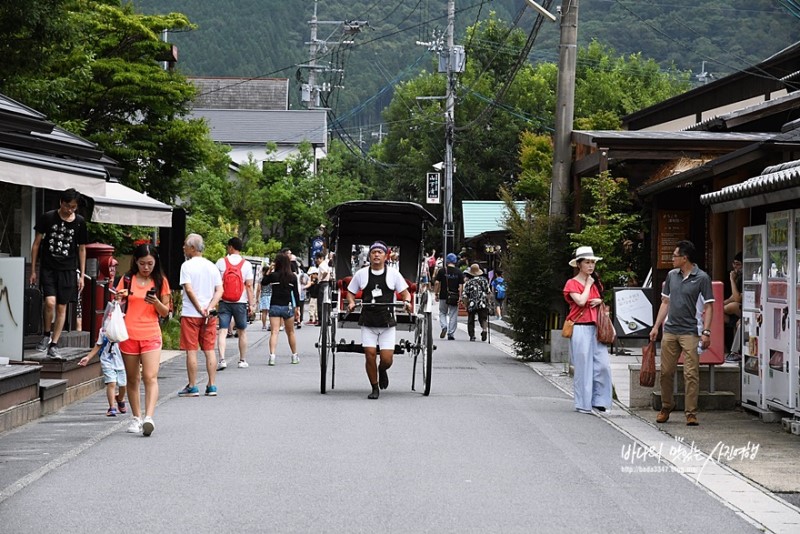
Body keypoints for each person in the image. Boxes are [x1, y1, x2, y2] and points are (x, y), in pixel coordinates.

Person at [649, 239, 714, 427]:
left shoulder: (702, 278)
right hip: (670, 330)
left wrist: (706, 332)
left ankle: (691, 412)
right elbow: (665, 302)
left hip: (691, 331)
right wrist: (656, 326)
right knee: (666, 372)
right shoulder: (671, 275)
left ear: (684, 258)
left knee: (691, 373)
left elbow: (709, 307)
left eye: (675, 256)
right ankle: (666, 406)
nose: (672, 259)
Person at [115, 243, 170, 436]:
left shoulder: (161, 281)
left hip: (151, 334)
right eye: (142, 263)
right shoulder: (127, 279)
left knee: (150, 376)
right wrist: (118, 298)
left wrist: (155, 302)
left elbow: (165, 312)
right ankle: (136, 417)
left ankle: (149, 417)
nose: (146, 268)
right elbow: (116, 301)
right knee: (132, 378)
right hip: (128, 334)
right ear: (135, 262)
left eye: (150, 263)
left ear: (155, 263)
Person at [346, 241, 412, 399]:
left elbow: (405, 293)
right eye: (373, 252)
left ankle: (382, 370)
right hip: (368, 320)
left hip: (387, 321)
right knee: (369, 353)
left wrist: (407, 302)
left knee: (387, 359)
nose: (376, 255)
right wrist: (351, 302)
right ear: (369, 255)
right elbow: (350, 292)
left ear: (386, 256)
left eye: (379, 252)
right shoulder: (361, 274)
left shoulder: (393, 274)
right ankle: (374, 387)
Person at [29, 188, 88, 359]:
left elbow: (82, 249)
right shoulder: (47, 217)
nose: (70, 210)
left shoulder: (79, 222)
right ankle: (46, 334)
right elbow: (36, 244)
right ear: (61, 202)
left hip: (68, 269)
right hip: (48, 267)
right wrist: (33, 270)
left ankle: (54, 344)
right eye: (67, 206)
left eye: (73, 207)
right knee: (49, 302)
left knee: (62, 307)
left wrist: (82, 275)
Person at [563, 246, 613, 414]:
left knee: (603, 365)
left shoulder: (595, 283)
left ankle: (599, 400)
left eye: (593, 262)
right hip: (580, 327)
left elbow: (597, 301)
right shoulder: (572, 283)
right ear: (579, 264)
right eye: (587, 262)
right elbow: (581, 301)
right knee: (583, 366)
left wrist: (599, 301)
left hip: (596, 327)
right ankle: (583, 403)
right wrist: (588, 285)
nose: (591, 266)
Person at [178, 234, 223, 397]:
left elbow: (188, 289)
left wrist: (199, 308)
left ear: (192, 248)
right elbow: (219, 290)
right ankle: (212, 385)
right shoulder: (212, 266)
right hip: (209, 315)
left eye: (185, 245)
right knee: (209, 349)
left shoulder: (186, 266)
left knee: (192, 350)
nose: (183, 248)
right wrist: (209, 307)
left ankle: (192, 386)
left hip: (191, 313)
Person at [216, 237, 255, 370]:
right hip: (241, 302)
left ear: (231, 247)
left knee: (222, 331)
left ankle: (222, 359)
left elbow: (216, 284)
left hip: (224, 301)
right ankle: (242, 360)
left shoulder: (221, 262)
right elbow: (249, 286)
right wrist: (252, 304)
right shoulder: (247, 265)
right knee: (242, 331)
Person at [78, 327, 127, 417]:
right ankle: (112, 407)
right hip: (107, 360)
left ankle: (120, 398)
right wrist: (88, 357)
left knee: (123, 385)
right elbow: (98, 345)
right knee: (111, 383)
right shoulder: (103, 329)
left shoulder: (124, 327)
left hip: (122, 361)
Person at [263, 252, 301, 365]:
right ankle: (294, 356)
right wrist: (297, 308)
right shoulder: (292, 277)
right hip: (288, 306)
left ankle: (272, 356)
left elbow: (263, 282)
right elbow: (296, 294)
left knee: (274, 332)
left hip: (274, 305)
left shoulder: (273, 276)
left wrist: (269, 270)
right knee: (290, 332)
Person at [433, 253, 463, 340]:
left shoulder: (442, 271)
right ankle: (451, 333)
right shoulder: (459, 272)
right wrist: (460, 297)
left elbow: (437, 283)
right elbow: (460, 286)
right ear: (455, 261)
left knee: (442, 312)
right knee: (453, 314)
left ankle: (444, 326)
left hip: (443, 295)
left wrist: (436, 293)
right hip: (454, 296)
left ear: (447, 261)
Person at [462, 264, 490, 342]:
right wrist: (488, 302)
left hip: (472, 302)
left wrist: (466, 304)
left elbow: (465, 295)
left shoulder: (469, 282)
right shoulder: (484, 280)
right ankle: (484, 329)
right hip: (482, 302)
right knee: (483, 318)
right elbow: (488, 292)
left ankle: (472, 336)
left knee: (471, 320)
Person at [723, 252, 743, 362]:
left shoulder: (744, 276)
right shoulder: (739, 277)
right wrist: (720, 303)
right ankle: (723, 347)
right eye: (734, 264)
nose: (735, 267)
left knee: (731, 306)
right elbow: (732, 297)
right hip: (738, 312)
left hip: (745, 309)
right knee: (719, 313)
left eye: (738, 264)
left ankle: (735, 352)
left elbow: (737, 298)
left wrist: (731, 279)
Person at [258, 260, 272, 330]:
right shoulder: (271, 279)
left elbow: (258, 289)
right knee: (270, 312)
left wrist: (257, 297)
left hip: (263, 295)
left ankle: (264, 325)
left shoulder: (261, 279)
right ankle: (270, 324)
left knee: (264, 312)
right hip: (270, 295)